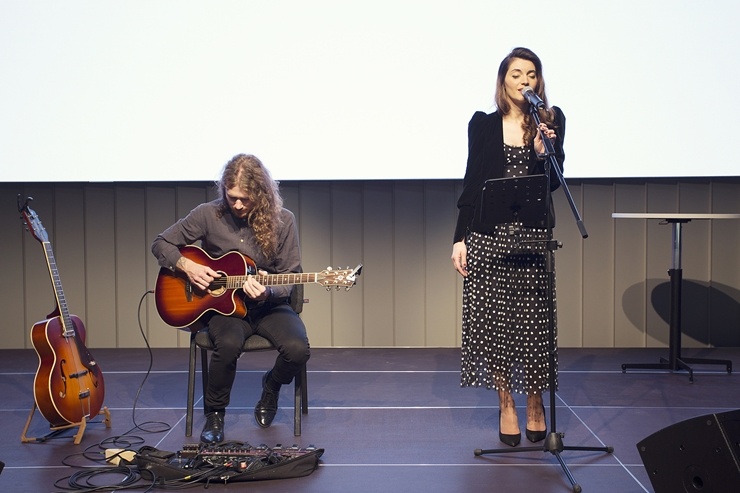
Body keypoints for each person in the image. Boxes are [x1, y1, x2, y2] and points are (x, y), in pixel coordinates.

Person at [450, 47, 565, 447]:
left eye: (531, 74)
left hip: (533, 235)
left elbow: (554, 181)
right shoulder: (483, 125)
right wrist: (459, 238)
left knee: (533, 325)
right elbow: (470, 183)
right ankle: (506, 403)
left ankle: (535, 402)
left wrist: (542, 154)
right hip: (488, 235)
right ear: (504, 80)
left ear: (539, 81)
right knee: (497, 325)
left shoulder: (550, 121)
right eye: (516, 74)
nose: (524, 81)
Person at [152, 153, 310, 444]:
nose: (237, 204)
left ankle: (271, 386)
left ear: (260, 194)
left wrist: (267, 291)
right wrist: (187, 266)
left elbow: (289, 276)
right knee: (226, 344)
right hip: (223, 309)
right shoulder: (208, 214)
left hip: (269, 306)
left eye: (245, 199)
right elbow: (161, 242)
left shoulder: (283, 221)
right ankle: (215, 414)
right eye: (231, 196)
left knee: (298, 349)